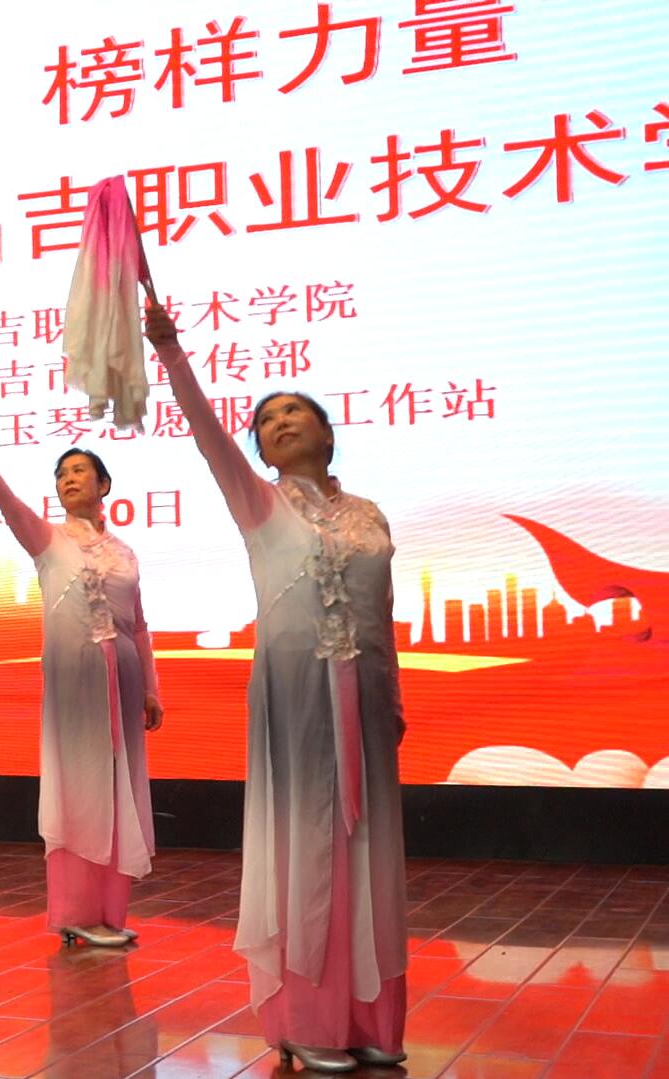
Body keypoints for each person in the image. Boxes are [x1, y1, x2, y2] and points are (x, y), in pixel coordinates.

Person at [145, 303, 407, 1072]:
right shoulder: (260, 503)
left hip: (366, 700)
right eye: (265, 419)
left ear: (327, 433)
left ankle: (369, 1019)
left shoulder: (368, 513)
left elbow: (382, 610)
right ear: (258, 449)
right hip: (296, 696)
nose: (279, 421)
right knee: (309, 842)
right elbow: (205, 433)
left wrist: (391, 700)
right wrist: (170, 351)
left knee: (368, 849)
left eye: (294, 411)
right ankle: (308, 1019)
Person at [0, 423, 162, 946]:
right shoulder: (49, 540)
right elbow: (4, 501)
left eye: (79, 471)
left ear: (104, 484)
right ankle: (75, 911)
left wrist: (151, 688)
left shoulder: (125, 552)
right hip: (75, 680)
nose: (68, 479)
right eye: (61, 474)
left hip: (124, 679)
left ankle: (108, 911)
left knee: (115, 785)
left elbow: (138, 625)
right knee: (79, 787)